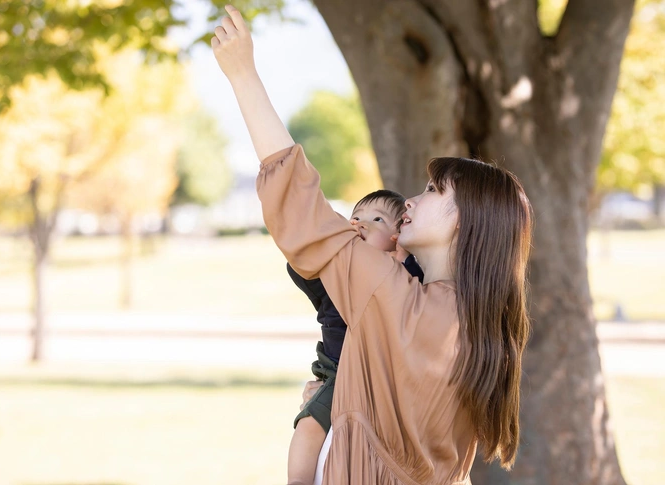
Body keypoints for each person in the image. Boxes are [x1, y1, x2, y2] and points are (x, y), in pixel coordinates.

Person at [212, 6, 533, 484]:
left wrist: (242, 74)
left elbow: (303, 208)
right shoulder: (486, 331)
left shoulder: (394, 295)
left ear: (462, 223)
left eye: (432, 193)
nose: (412, 202)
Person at [288, 189, 424, 485]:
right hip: (338, 372)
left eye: (377, 219)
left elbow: (416, 285)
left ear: (396, 236)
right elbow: (301, 270)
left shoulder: (407, 276)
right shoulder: (338, 274)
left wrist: (402, 257)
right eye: (356, 218)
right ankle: (298, 480)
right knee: (311, 422)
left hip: (381, 377)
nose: (361, 224)